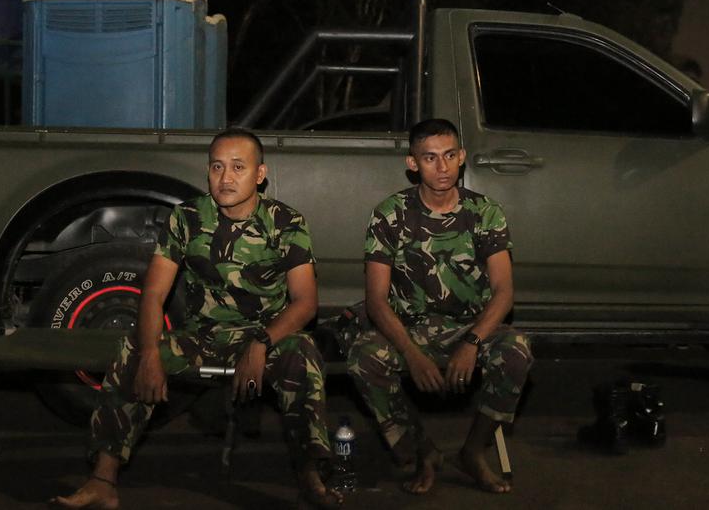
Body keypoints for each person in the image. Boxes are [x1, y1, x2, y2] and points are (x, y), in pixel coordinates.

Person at [52, 128, 343, 509]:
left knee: (302, 352)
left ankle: (311, 477)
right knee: (133, 348)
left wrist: (261, 343)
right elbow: (153, 294)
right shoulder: (187, 218)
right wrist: (152, 356)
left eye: (238, 167)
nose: (226, 178)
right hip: (202, 337)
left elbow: (305, 303)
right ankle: (102, 481)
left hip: (266, 337)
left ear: (260, 174)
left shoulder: (285, 222)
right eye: (217, 167)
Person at [346, 118, 533, 495]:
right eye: (430, 158)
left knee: (516, 350)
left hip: (470, 327)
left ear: (462, 157)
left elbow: (503, 292)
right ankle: (422, 450)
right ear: (413, 163)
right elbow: (377, 301)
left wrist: (473, 343)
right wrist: (411, 354)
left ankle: (473, 451)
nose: (442, 167)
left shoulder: (485, 212)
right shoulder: (389, 214)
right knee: (363, 357)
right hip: (409, 328)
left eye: (449, 155)